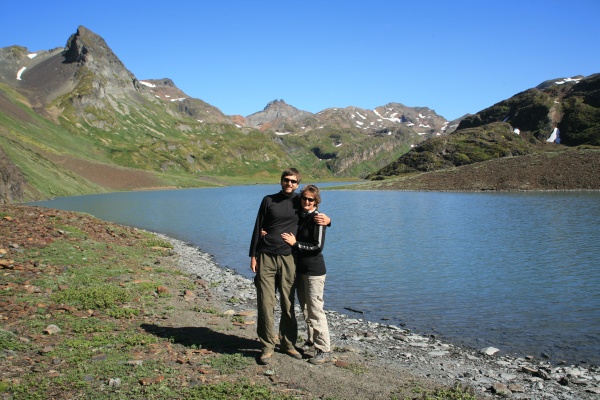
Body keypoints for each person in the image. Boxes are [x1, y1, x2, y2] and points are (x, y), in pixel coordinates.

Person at [249, 168, 330, 365]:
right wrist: (253, 255)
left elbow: (313, 216)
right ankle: (267, 346)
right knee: (266, 303)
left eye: (293, 181)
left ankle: (288, 343)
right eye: (286, 180)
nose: (289, 183)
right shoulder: (268, 200)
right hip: (266, 256)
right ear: (281, 181)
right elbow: (257, 225)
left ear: (297, 183)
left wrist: (328, 221)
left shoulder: (299, 201)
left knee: (287, 303)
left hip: (289, 258)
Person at [282, 184, 331, 364]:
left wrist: (295, 244)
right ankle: (311, 340)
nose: (307, 202)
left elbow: (317, 246)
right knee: (305, 308)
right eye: (304, 198)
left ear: (316, 202)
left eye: (311, 199)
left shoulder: (318, 218)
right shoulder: (300, 216)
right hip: (300, 270)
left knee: (315, 309)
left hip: (314, 271)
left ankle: (324, 349)